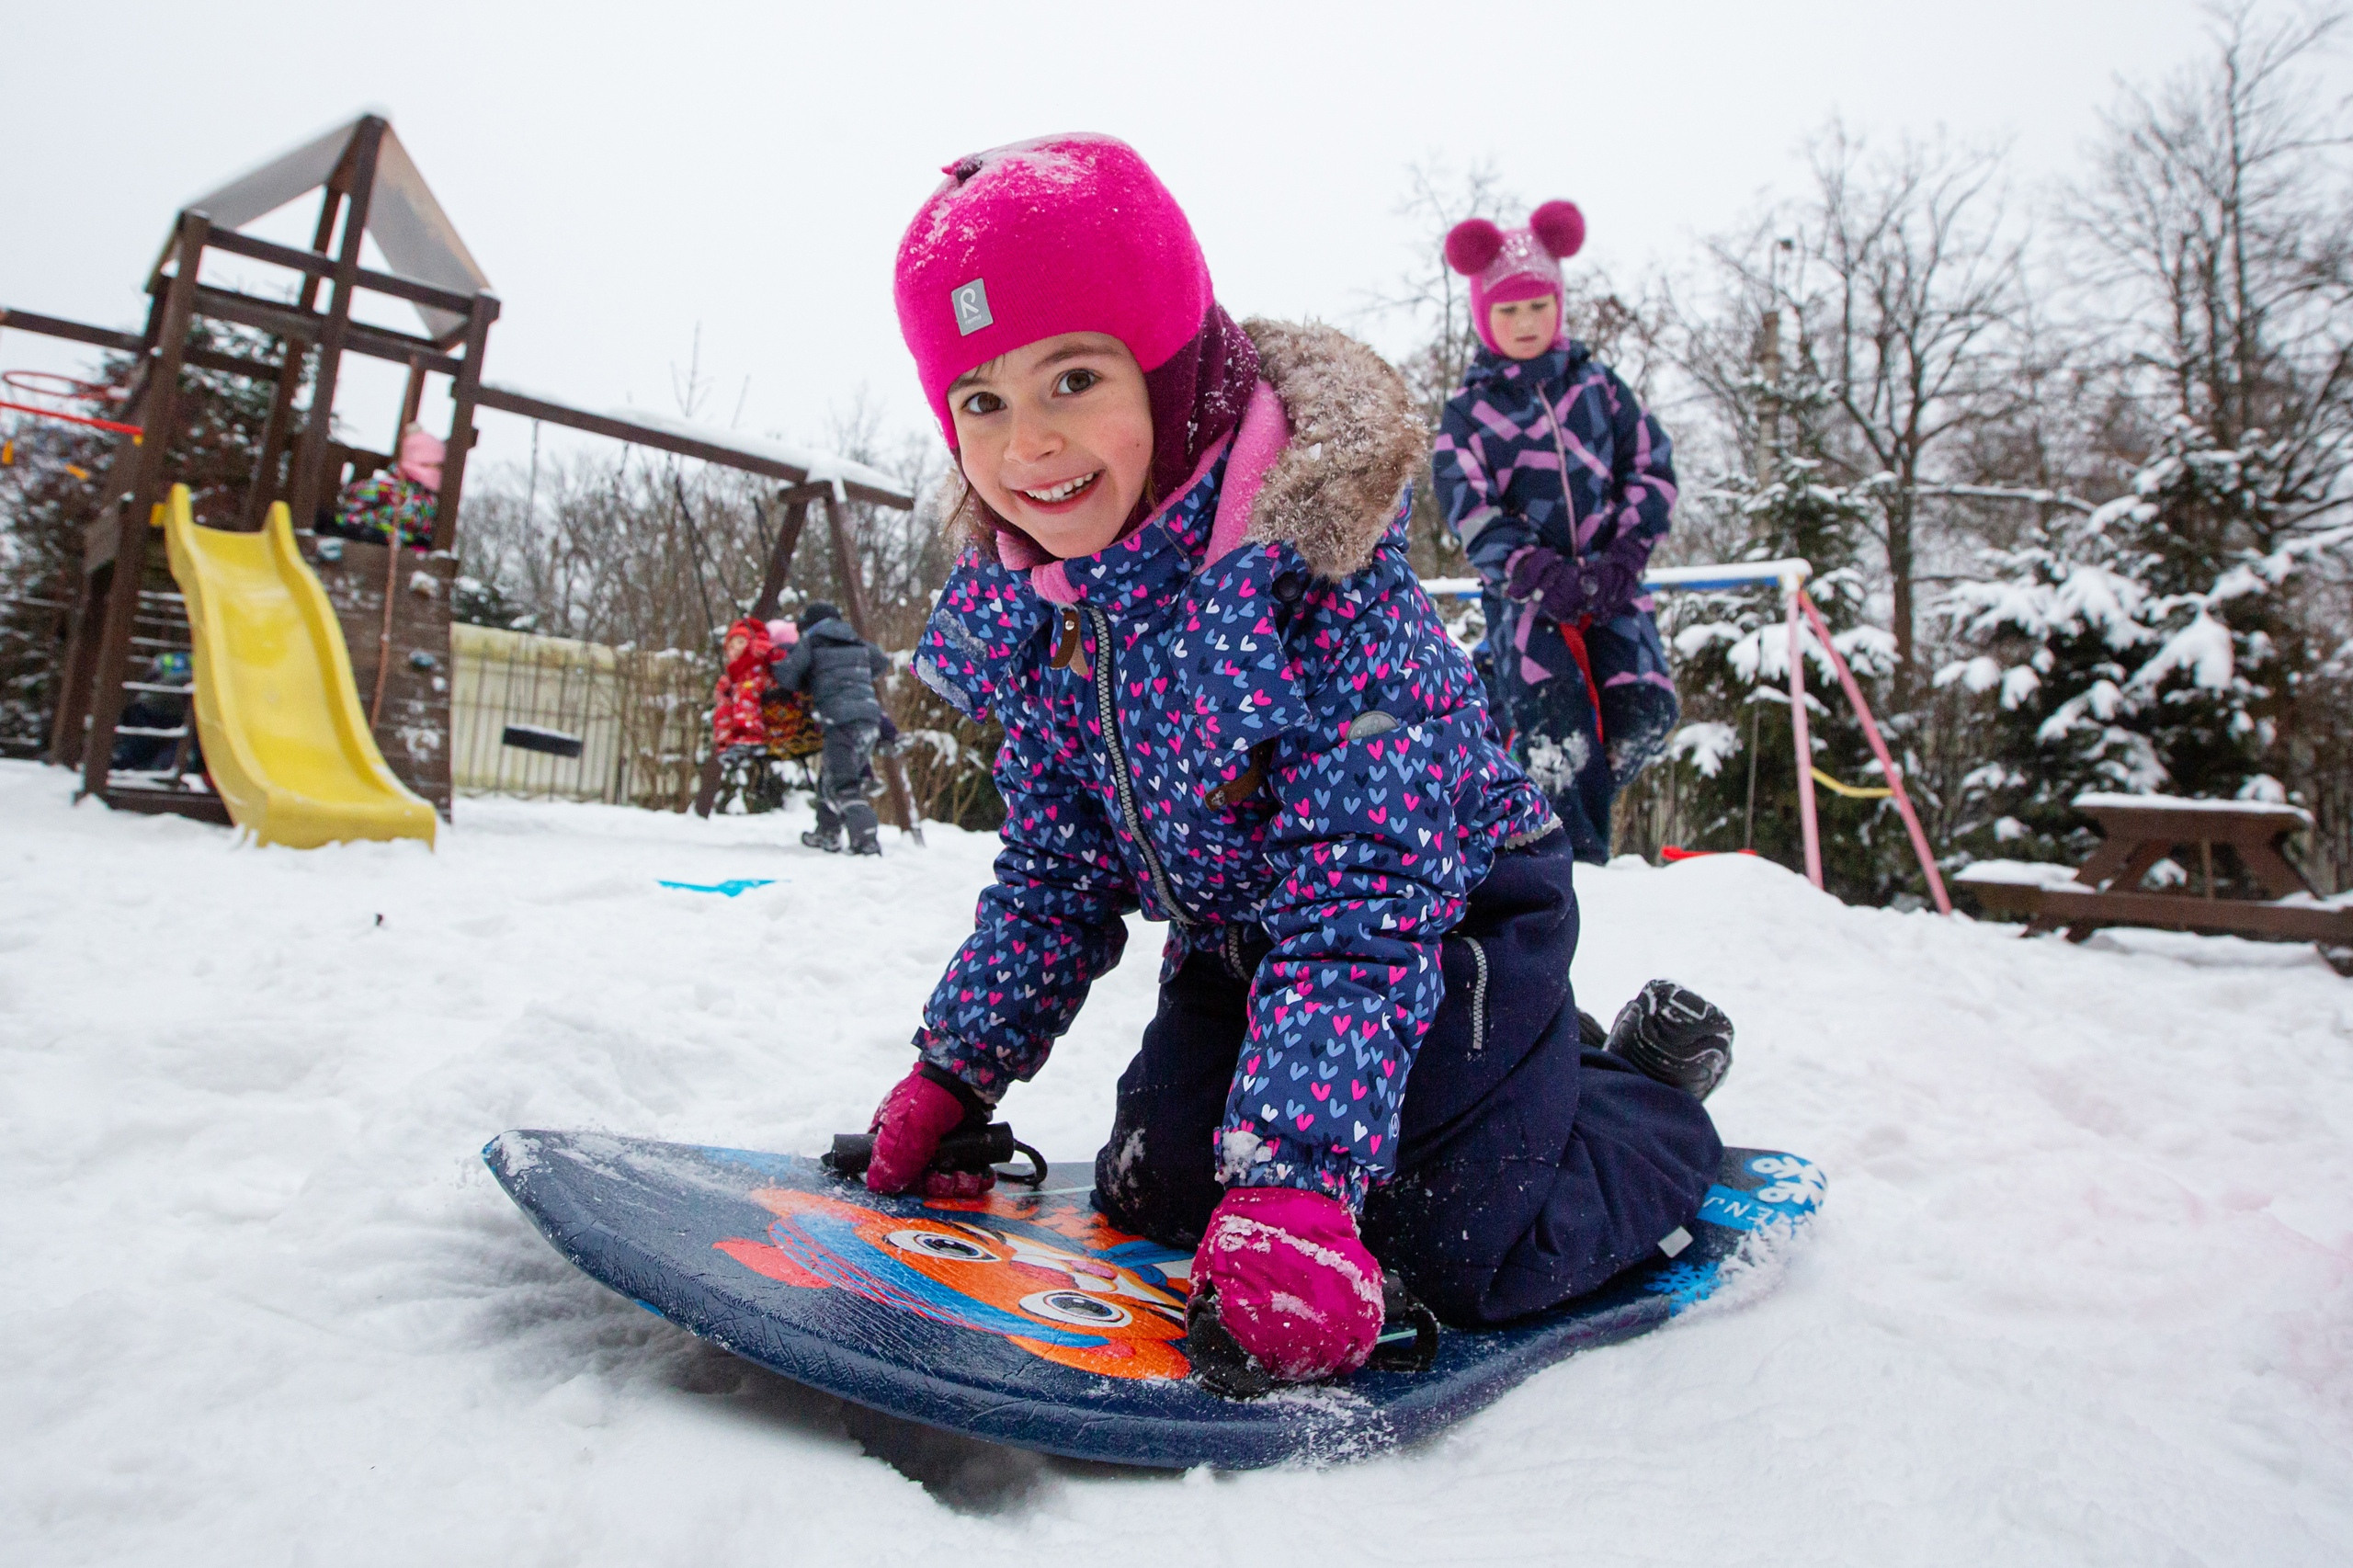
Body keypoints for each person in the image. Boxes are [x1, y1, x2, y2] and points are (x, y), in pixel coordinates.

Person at [861, 135, 1733, 1390]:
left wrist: (1302, 1192)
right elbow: (1056, 873)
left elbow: (1359, 910)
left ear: (1169, 370)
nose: (1028, 444)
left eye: (1073, 379)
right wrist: (957, 1069)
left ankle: (1642, 1092)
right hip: (1245, 942)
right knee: (1158, 1189)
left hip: (1448, 915)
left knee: (1454, 1236)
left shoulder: (1319, 589)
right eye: (981, 403)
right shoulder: (1056, 614)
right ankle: (1521, 1069)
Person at [1430, 204, 1681, 864]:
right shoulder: (1469, 413)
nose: (1526, 322)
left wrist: (1627, 552)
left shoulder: (1599, 389)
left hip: (1611, 582)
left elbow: (1651, 465)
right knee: (1558, 737)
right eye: (1508, 310)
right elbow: (1467, 506)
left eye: (1539, 306)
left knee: (1644, 711)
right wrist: (1534, 570)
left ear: (1559, 304)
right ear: (1484, 314)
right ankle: (1574, 870)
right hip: (1527, 600)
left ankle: (1498, 703)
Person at [771, 600, 891, 856]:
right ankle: (827, 833)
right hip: (871, 719)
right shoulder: (855, 641)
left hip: (840, 720)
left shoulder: (811, 643)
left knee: (844, 784)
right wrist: (855, 675)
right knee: (831, 775)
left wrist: (775, 661)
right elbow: (881, 661)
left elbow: (788, 676)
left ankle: (866, 839)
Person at [325, 424, 443, 550]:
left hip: (406, 547)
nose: (438, 472)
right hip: (374, 541)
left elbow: (425, 527)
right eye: (435, 466)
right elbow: (350, 509)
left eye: (441, 467)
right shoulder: (386, 487)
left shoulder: (429, 499)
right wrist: (364, 527)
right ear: (419, 463)